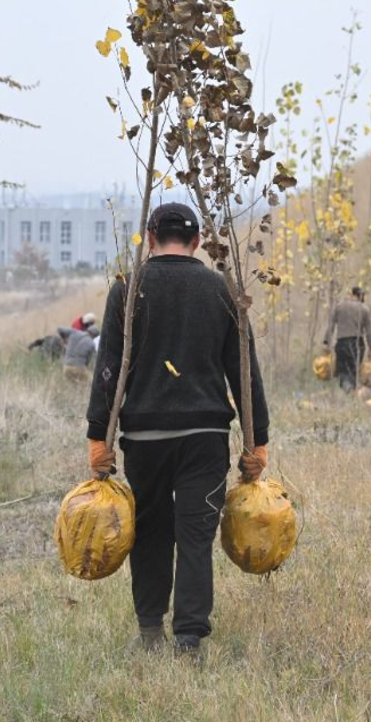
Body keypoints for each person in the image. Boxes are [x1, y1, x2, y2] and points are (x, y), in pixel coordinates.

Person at [85, 202, 270, 658]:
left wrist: (98, 437)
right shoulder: (222, 289)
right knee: (195, 538)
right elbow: (244, 371)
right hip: (204, 438)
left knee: (149, 533)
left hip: (144, 439)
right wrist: (257, 441)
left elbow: (109, 368)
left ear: (150, 239)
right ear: (197, 242)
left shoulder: (127, 289)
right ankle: (189, 639)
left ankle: (150, 632)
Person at [324, 286, 371, 391]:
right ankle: (351, 391)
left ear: (352, 294)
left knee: (342, 372)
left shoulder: (339, 307)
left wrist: (327, 342)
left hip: (342, 343)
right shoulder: (364, 309)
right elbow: (369, 331)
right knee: (353, 371)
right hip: (357, 344)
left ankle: (348, 389)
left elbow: (331, 326)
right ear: (361, 297)